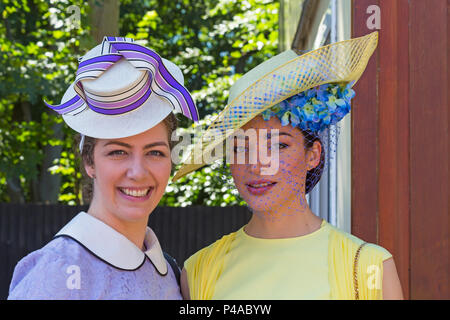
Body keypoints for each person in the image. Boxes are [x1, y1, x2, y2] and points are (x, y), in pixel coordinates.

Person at [173, 32, 404, 300]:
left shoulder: (370, 269)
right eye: (241, 148)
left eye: (278, 145)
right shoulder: (199, 272)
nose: (257, 165)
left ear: (312, 155)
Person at [8, 36, 198, 299]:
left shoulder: (170, 270)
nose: (138, 172)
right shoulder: (56, 273)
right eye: (118, 152)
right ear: (89, 161)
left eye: (155, 152)